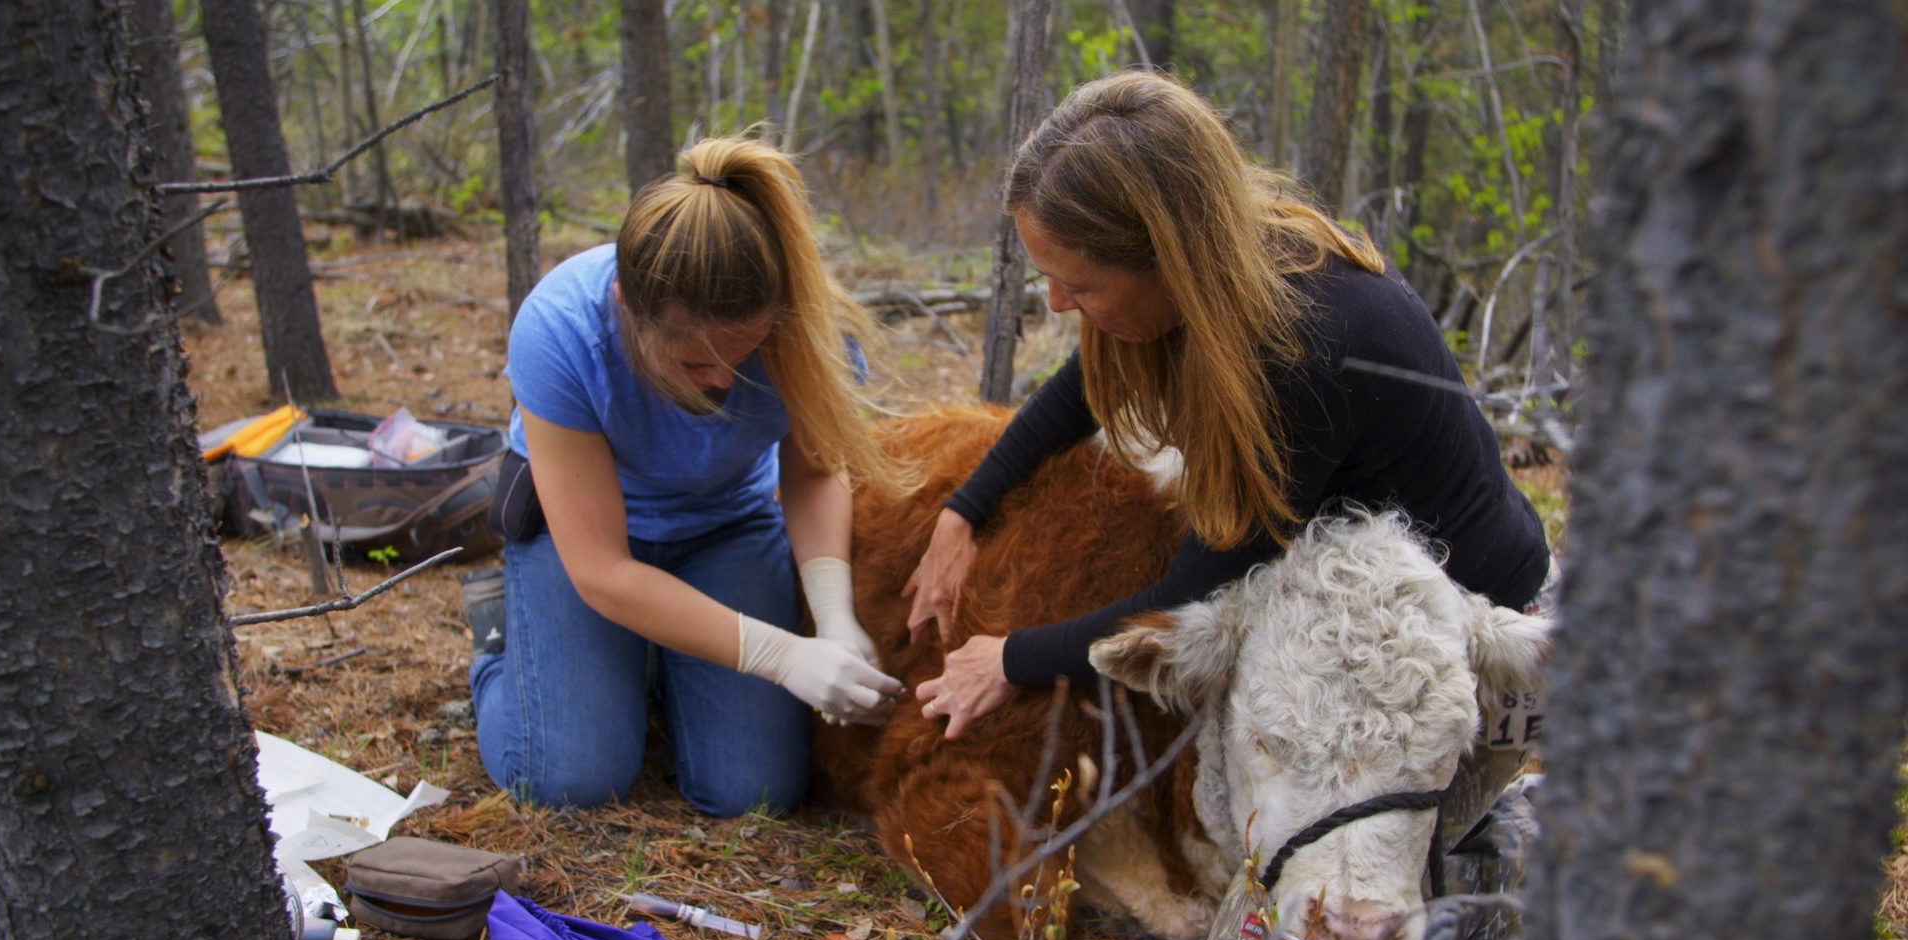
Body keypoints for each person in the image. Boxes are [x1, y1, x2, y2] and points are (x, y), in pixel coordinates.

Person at [906, 71, 1552, 737]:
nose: (1058, 305)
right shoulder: (1226, 266)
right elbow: (1082, 391)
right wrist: (964, 511)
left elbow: (1198, 596)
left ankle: (1483, 821)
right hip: (1363, 578)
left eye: (1078, 285)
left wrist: (1011, 658)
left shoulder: (1302, 348)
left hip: (1466, 635)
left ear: (1167, 259)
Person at [465, 137, 908, 814]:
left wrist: (835, 614)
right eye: (694, 365)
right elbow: (603, 571)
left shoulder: (811, 326)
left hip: (725, 521)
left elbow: (814, 475)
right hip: (590, 538)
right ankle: (507, 648)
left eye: (744, 353)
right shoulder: (559, 330)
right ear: (624, 305)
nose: (722, 382)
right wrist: (782, 657)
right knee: (567, 778)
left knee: (754, 791)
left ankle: (651, 665)